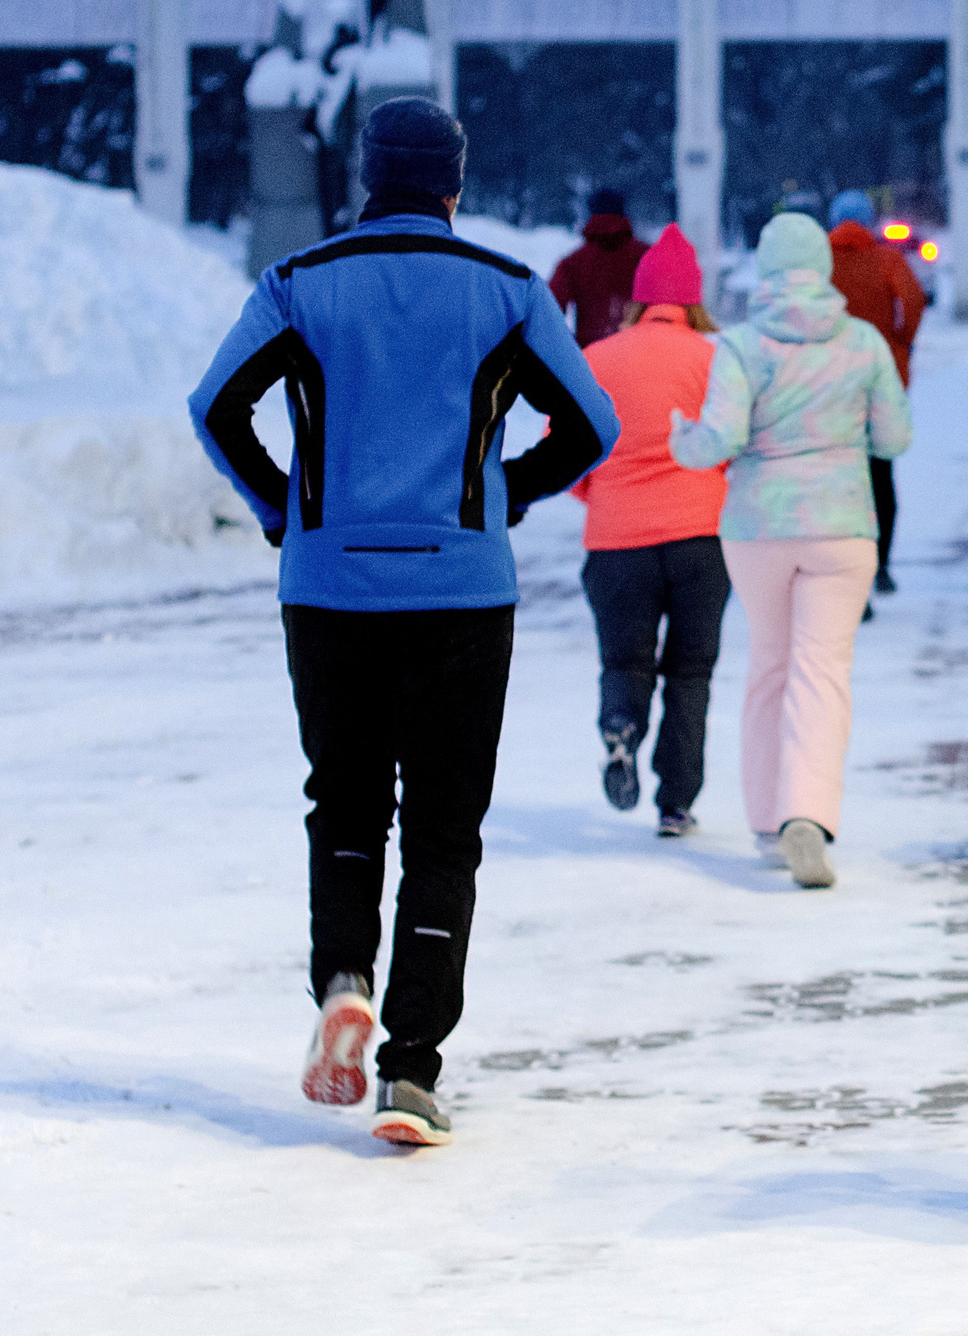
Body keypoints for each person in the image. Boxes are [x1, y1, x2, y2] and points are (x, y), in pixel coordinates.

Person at [188, 96, 619, 1149]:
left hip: (329, 587)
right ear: (453, 184)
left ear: (367, 178)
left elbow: (216, 406)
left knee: (343, 802)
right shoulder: (507, 292)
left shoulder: (300, 285)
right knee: (442, 826)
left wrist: (282, 504)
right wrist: (504, 489)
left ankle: (344, 978)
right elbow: (592, 427)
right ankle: (413, 1068)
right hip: (464, 591)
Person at [670, 212, 910, 890]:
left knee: (769, 667)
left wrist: (681, 437)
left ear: (767, 268)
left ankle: (767, 824)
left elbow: (717, 441)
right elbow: (895, 438)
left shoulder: (742, 345)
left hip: (758, 527)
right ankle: (809, 812)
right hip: (842, 525)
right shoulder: (862, 342)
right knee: (822, 670)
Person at [573, 224, 732, 838]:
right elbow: (733, 445)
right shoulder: (717, 360)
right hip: (701, 537)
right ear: (693, 300)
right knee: (690, 672)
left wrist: (601, 493)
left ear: (639, 300)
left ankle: (620, 725)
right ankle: (677, 802)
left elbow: (569, 450)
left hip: (616, 541)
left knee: (624, 658)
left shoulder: (597, 358)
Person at [826, 189, 927, 598]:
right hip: (878, 382)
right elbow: (914, 300)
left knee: (837, 478)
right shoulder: (887, 258)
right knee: (880, 477)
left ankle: (841, 563)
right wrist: (901, 342)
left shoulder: (819, 262)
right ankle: (880, 565)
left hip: (828, 385)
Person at [549, 188, 649, 348]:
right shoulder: (647, 258)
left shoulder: (573, 263)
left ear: (591, 215)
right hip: (641, 357)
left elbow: (548, 315)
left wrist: (570, 349)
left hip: (590, 361)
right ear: (623, 213)